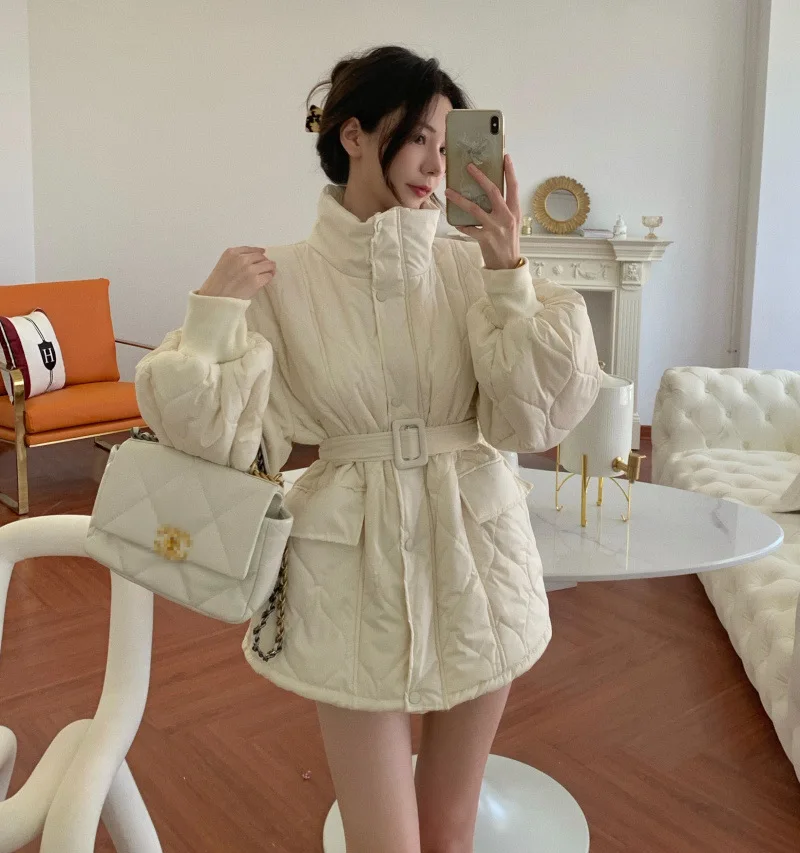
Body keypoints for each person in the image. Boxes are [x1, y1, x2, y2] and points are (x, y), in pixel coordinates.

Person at [135, 44, 601, 853]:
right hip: (350, 572)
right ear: (352, 134)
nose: (436, 165)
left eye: (447, 145)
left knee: (450, 832)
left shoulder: (472, 268)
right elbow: (218, 441)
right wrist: (211, 317)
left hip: (479, 558)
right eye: (417, 137)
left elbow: (537, 419)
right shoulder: (282, 278)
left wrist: (509, 271)